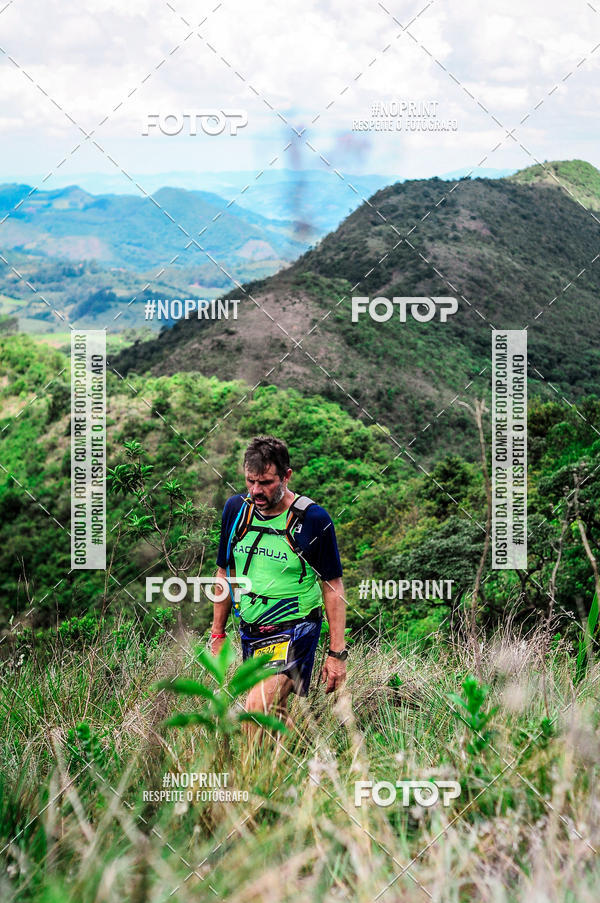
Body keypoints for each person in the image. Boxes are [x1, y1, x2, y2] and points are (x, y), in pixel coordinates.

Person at [211, 435, 347, 731]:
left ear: (286, 476)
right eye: (251, 481)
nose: (256, 491)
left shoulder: (312, 520)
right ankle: (295, 771)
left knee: (255, 712)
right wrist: (217, 634)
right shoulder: (236, 511)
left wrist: (337, 654)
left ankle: (250, 778)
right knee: (274, 714)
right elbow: (224, 574)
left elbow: (333, 586)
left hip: (295, 629)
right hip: (251, 630)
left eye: (266, 483)